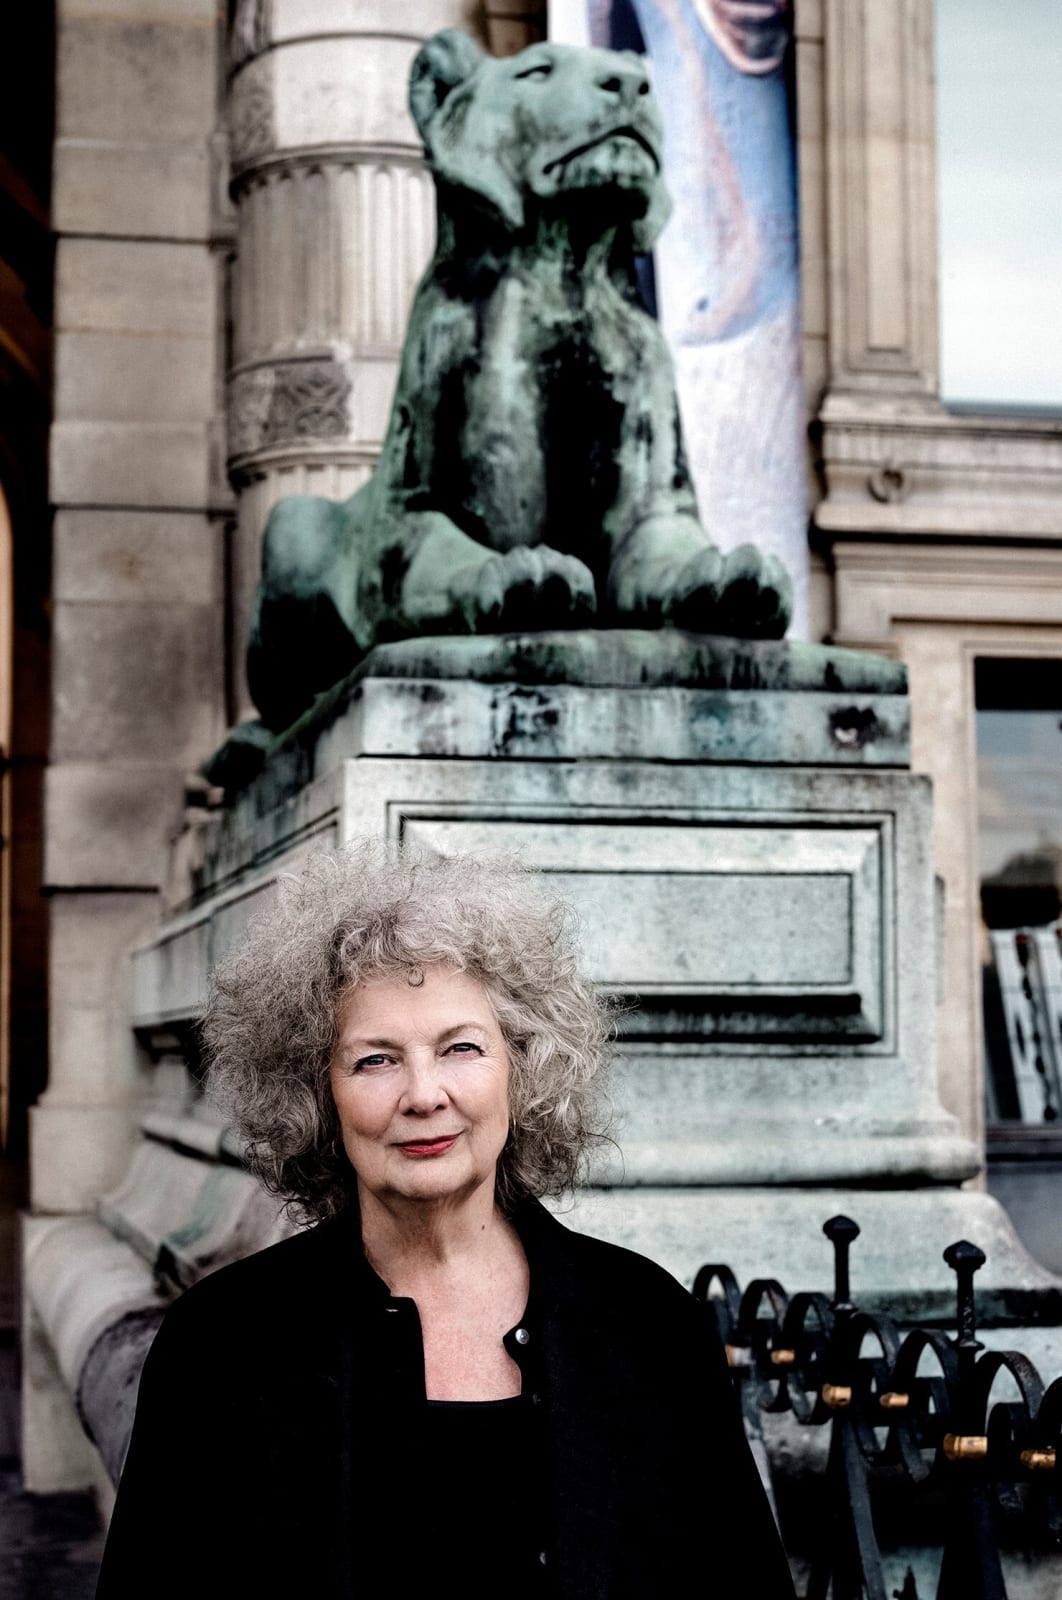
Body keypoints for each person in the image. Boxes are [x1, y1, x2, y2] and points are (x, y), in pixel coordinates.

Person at [96, 844, 795, 1598]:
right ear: (316, 1092)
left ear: (520, 1068)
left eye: (461, 1048)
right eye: (375, 1061)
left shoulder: (651, 1326)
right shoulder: (221, 1345)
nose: (424, 1094)